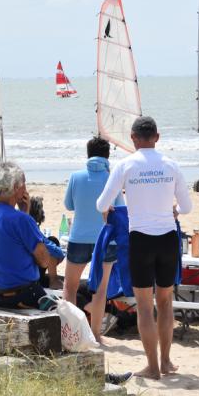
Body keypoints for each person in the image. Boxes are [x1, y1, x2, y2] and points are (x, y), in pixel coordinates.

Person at [96, 116, 193, 379]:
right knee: (165, 302)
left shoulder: (126, 165)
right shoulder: (171, 165)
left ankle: (152, 367)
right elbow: (186, 207)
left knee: (144, 305)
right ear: (157, 137)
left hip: (140, 240)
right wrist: (173, 209)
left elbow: (101, 203)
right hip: (167, 240)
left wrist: (113, 208)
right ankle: (166, 361)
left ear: (133, 138)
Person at [63, 136, 124, 342]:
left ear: (88, 154)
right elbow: (119, 209)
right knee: (100, 290)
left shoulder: (75, 176)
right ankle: (96, 336)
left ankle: (72, 333)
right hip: (105, 239)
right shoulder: (112, 178)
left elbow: (69, 205)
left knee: (69, 287)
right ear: (108, 156)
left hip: (79, 236)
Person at [0, 162, 53, 310]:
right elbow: (45, 261)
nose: (26, 189)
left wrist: (24, 213)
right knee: (68, 310)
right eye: (23, 184)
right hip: (23, 294)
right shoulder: (20, 220)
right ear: (15, 188)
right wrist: (27, 217)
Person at [27, 195, 65, 290]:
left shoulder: (23, 223)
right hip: (30, 277)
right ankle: (54, 281)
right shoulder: (31, 227)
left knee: (51, 241)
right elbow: (55, 251)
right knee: (52, 242)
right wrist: (61, 254)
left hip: (24, 271)